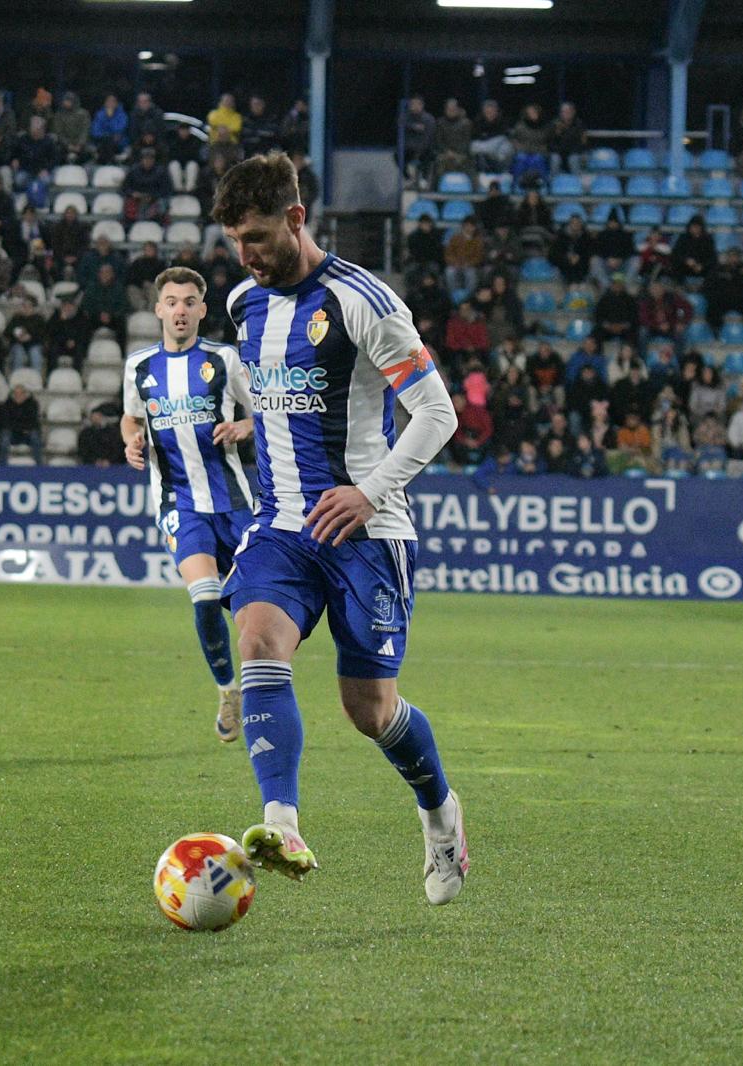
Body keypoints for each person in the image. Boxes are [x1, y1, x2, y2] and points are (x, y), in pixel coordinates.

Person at [209, 152, 466, 903]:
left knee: (370, 710)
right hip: (283, 526)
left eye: (256, 236)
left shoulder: (365, 302)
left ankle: (441, 813)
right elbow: (284, 399)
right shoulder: (242, 304)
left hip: (368, 533)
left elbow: (437, 414)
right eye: (233, 241)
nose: (246, 255)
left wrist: (369, 490)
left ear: (296, 218)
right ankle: (281, 824)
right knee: (257, 640)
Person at [120, 267, 256, 739]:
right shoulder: (139, 366)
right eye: (172, 301)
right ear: (158, 309)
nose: (180, 309)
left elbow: (264, 411)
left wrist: (244, 427)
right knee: (203, 596)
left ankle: (261, 682)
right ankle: (227, 690)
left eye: (189, 301)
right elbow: (130, 418)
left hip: (236, 502)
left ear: (202, 310)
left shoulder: (223, 359)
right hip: (180, 502)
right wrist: (131, 441)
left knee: (254, 613)